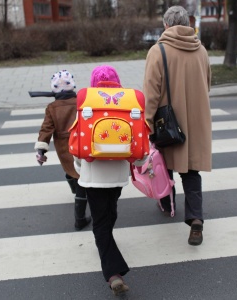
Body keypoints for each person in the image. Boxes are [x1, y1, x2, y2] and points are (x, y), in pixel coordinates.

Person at [143, 6, 212, 246]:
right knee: (191, 170)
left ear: (166, 25)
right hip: (196, 121)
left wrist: (147, 122)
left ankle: (166, 203)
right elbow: (208, 83)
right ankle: (196, 220)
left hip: (168, 122)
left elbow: (151, 93)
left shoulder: (158, 50)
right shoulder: (200, 49)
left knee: (163, 164)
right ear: (187, 23)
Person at [73, 65, 131, 296]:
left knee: (100, 222)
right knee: (110, 214)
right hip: (117, 176)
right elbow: (137, 144)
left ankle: (112, 273)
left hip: (92, 176)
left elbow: (76, 146)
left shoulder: (86, 106)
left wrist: (80, 169)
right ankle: (113, 268)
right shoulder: (126, 107)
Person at [34, 70, 91, 231]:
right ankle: (79, 218)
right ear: (72, 86)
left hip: (64, 148)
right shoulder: (81, 101)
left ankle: (79, 218)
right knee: (80, 175)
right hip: (82, 143)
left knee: (72, 171)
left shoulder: (52, 107)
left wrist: (41, 151)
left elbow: (46, 129)